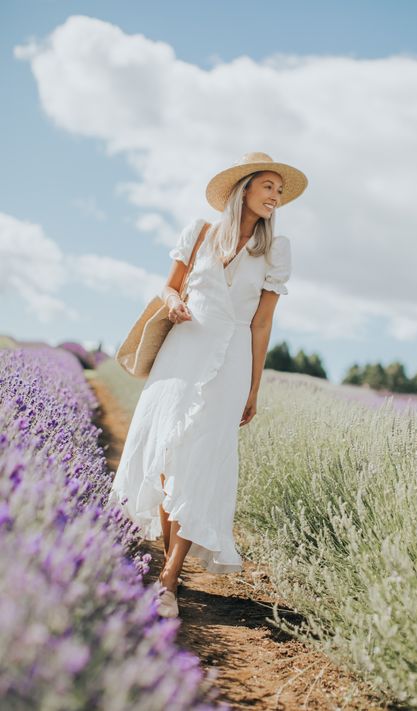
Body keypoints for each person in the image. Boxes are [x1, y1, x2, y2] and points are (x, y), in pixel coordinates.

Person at [109, 152, 308, 617]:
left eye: (280, 191)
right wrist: (174, 302)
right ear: (244, 189)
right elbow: (168, 287)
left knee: (201, 462)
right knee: (165, 453)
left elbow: (262, 325)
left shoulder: (275, 252)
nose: (276, 197)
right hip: (184, 350)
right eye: (269, 186)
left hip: (232, 358)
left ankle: (170, 578)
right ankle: (164, 556)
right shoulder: (199, 232)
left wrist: (254, 387)